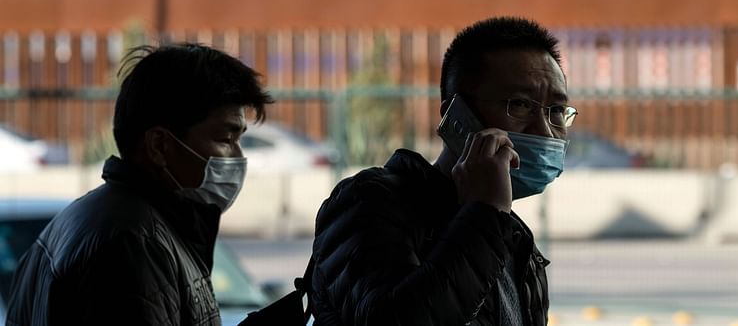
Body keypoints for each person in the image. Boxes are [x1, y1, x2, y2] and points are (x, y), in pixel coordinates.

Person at [308, 17, 577, 326]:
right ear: (457, 114)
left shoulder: (515, 242)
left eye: (556, 111)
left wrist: (488, 218)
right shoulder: (369, 203)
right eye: (519, 105)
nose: (545, 131)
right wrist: (485, 213)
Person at [6, 43, 272, 326]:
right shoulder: (132, 243)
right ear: (159, 145)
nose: (238, 157)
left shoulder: (118, 222)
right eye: (225, 140)